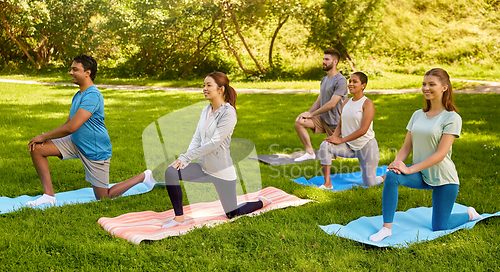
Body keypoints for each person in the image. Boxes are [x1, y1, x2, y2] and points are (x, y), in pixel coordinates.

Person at [369, 68, 482, 242]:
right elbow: (406, 147)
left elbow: (440, 154)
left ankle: (470, 214)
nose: (426, 88)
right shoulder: (417, 115)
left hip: (444, 178)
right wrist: (397, 164)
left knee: (440, 226)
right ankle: (386, 229)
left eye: (431, 84)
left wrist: (409, 169)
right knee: (392, 176)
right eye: (424, 84)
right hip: (421, 175)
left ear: (444, 88)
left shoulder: (452, 118)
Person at [27, 55, 155, 206]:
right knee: (37, 148)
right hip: (75, 141)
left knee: (103, 197)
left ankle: (144, 177)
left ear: (87, 73)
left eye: (75, 69)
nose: (70, 72)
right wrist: (44, 139)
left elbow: (71, 127)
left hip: (95, 149)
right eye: (71, 69)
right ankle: (49, 196)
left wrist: (44, 136)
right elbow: (68, 124)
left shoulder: (93, 96)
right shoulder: (79, 95)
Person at [162, 72, 272, 228]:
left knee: (232, 213)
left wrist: (186, 158)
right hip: (203, 168)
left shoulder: (229, 113)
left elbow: (214, 143)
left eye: (209, 85)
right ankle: (179, 218)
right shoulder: (205, 110)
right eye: (203, 85)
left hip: (222, 172)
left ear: (220, 89)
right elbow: (197, 138)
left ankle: (262, 201)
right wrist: (184, 158)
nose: (204, 89)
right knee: (171, 171)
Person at [318, 72, 385, 189]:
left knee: (370, 183)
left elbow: (363, 130)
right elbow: (340, 123)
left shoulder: (368, 103)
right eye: (350, 81)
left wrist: (341, 139)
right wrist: (333, 138)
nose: (350, 84)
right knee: (325, 145)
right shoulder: (346, 102)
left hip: (366, 146)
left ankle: (387, 175)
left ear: (363, 85)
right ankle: (327, 183)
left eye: (355, 82)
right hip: (349, 147)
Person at [294, 49, 348, 162]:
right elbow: (319, 101)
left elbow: (332, 104)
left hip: (336, 124)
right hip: (323, 120)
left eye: (327, 59)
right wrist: (308, 114)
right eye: (323, 59)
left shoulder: (341, 80)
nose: (324, 61)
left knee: (339, 160)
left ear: (335, 62)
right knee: (299, 121)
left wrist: (313, 114)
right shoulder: (324, 79)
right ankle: (309, 153)